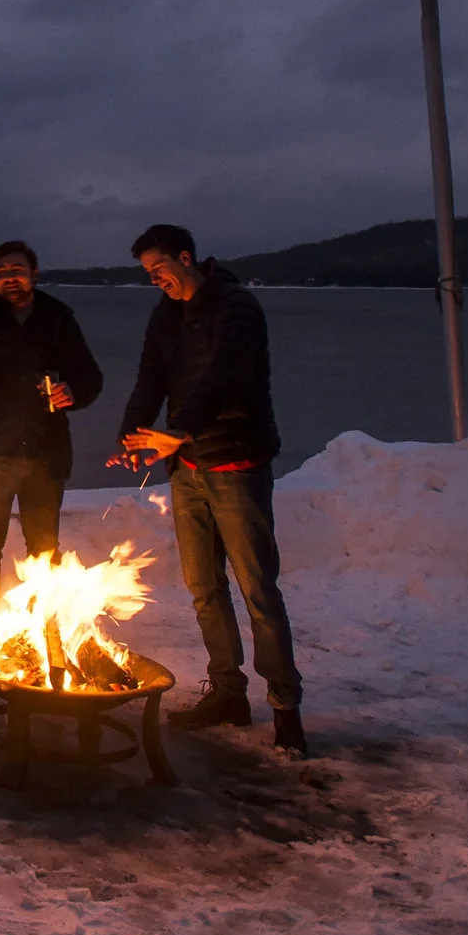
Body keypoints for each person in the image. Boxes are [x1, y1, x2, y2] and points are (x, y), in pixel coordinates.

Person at [113, 223, 307, 759]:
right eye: (148, 276)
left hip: (237, 462)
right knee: (203, 588)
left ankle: (286, 708)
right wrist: (131, 435)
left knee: (258, 591)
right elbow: (151, 377)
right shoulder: (165, 316)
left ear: (186, 257)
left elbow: (225, 377)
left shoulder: (237, 308)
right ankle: (227, 693)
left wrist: (179, 431)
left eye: (160, 270)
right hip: (189, 468)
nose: (156, 282)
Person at [0, 239, 104, 640]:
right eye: (1, 272)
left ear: (34, 274)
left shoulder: (57, 318)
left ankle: (44, 633)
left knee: (44, 549)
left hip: (45, 457)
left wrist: (72, 394)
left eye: (17, 269)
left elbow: (90, 377)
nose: (9, 278)